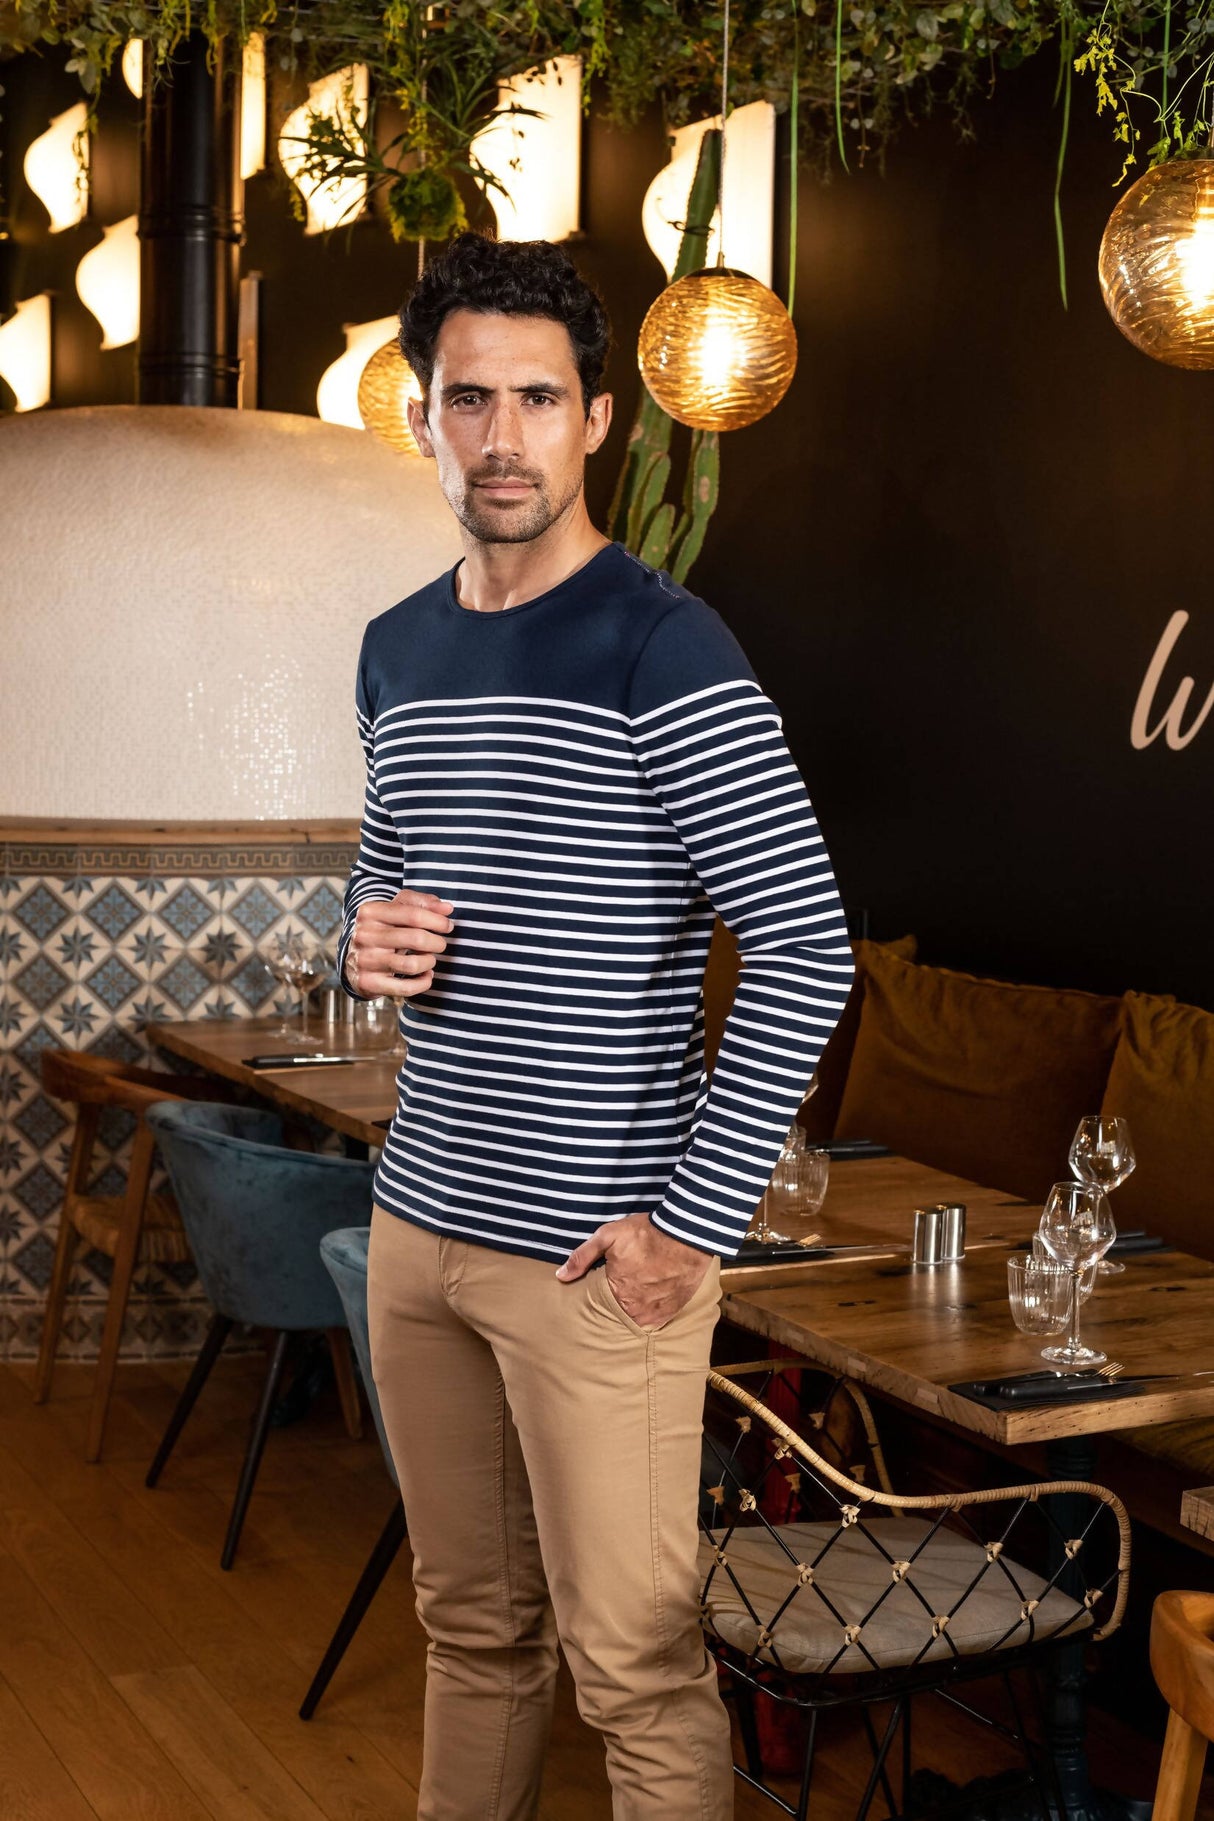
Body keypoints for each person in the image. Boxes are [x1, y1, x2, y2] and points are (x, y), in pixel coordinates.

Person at [338, 232, 853, 1821]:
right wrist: (365, 942)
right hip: (420, 1224)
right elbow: (383, 882)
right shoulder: (395, 647)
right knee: (469, 1631)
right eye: (468, 400)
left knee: (631, 1668)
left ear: (599, 421)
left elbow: (804, 944)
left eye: (537, 401)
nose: (501, 438)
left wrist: (681, 1228)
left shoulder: (659, 644)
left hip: (593, 1258)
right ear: (422, 418)